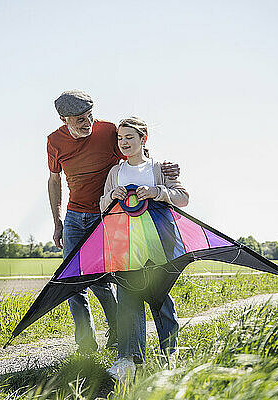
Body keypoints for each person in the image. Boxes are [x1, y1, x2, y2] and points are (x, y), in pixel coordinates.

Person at [47, 91, 180, 353]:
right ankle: (86, 347)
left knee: (106, 281)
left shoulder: (108, 131)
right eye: (79, 120)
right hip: (74, 216)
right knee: (73, 279)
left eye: (90, 116)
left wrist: (163, 170)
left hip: (109, 216)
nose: (88, 123)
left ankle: (122, 336)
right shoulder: (54, 141)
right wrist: (57, 221)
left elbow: (135, 153)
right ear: (64, 120)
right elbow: (54, 180)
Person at [99, 116, 189, 379]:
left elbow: (183, 197)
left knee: (160, 299)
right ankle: (128, 361)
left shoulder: (159, 168)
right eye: (120, 138)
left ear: (143, 139)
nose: (124, 142)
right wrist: (111, 197)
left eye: (129, 137)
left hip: (159, 243)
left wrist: (157, 191)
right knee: (128, 299)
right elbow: (102, 207)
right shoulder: (115, 172)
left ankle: (170, 356)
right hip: (126, 246)